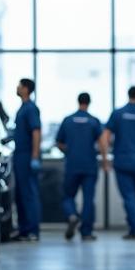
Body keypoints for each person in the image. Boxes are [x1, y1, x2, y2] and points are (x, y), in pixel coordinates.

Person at [55, 93, 108, 241]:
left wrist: (69, 151)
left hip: (72, 164)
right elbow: (103, 143)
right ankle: (86, 232)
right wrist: (104, 162)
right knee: (88, 199)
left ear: (78, 102)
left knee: (68, 196)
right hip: (89, 166)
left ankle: (72, 215)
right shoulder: (94, 121)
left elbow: (59, 142)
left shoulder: (67, 120)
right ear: (89, 103)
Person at [103, 86, 135, 239]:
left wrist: (106, 157)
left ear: (128, 94)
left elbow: (105, 136)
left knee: (128, 196)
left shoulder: (118, 114)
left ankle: (134, 229)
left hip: (122, 161)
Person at [13, 77, 42, 242]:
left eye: (19, 85)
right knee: (21, 194)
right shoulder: (22, 108)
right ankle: (23, 229)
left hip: (27, 156)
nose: (17, 87)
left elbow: (36, 132)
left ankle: (32, 231)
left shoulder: (31, 108)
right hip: (20, 155)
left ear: (26, 89)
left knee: (29, 194)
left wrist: (35, 157)